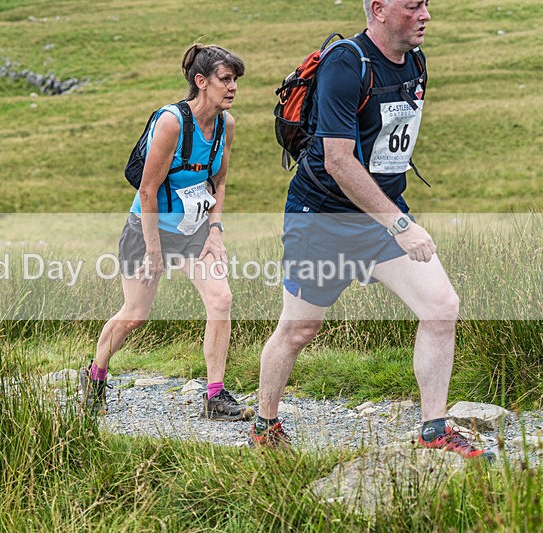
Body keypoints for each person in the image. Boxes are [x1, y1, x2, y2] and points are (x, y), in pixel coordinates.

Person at [251, 0, 492, 460]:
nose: (425, 14)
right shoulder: (347, 63)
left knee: (441, 306)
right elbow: (339, 161)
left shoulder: (416, 61)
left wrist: (394, 217)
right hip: (323, 217)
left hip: (380, 214)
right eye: (413, 5)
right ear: (379, 9)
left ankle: (433, 429)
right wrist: (401, 225)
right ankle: (264, 422)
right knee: (299, 329)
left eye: (427, 4)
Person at [81, 44, 254, 421]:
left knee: (221, 300)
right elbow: (146, 190)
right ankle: (94, 375)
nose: (233, 88)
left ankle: (215, 395)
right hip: (148, 231)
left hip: (195, 233)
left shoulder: (227, 124)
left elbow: (219, 183)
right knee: (135, 315)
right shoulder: (171, 122)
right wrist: (155, 253)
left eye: (235, 80)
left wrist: (215, 232)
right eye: (225, 79)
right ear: (201, 81)